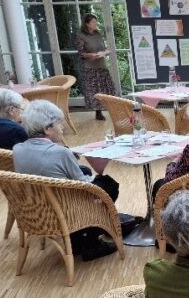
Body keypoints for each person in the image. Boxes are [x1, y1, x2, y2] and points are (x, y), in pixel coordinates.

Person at [13, 100, 120, 260]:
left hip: (34, 212)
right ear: (47, 129)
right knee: (108, 184)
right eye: (59, 124)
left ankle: (76, 241)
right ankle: (91, 244)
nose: (62, 127)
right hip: (65, 212)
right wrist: (94, 176)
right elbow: (85, 185)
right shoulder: (60, 152)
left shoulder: (17, 149)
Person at [76, 13, 117, 121]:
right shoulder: (81, 36)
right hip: (90, 68)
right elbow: (80, 54)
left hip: (101, 66)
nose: (96, 24)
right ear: (87, 24)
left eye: (96, 21)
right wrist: (92, 55)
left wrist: (105, 52)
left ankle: (113, 110)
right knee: (95, 91)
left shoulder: (98, 34)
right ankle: (98, 113)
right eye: (93, 22)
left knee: (106, 89)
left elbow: (103, 48)